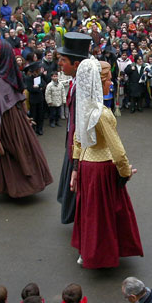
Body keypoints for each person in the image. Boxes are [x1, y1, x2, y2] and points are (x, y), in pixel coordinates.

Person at [70, 51, 143, 269]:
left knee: (89, 211)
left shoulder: (83, 108)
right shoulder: (101, 113)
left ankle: (86, 251)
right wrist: (124, 172)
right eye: (109, 79)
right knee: (105, 214)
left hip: (85, 165)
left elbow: (77, 140)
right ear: (99, 82)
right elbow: (118, 151)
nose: (111, 82)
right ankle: (101, 254)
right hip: (102, 168)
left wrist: (75, 168)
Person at [0, 39, 53, 198]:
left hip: (4, 122)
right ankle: (19, 186)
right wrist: (24, 116)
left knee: (9, 155)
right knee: (20, 152)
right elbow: (20, 96)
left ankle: (16, 188)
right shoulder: (9, 72)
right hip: (16, 118)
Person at [56, 32, 93, 224]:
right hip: (71, 143)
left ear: (77, 65)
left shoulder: (83, 90)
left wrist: (77, 163)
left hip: (78, 148)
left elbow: (82, 127)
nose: (60, 64)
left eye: (63, 60)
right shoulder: (74, 82)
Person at [24, 62, 47, 136]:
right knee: (33, 114)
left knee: (40, 114)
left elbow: (43, 84)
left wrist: (38, 86)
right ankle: (33, 129)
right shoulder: (28, 78)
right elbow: (30, 88)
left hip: (40, 98)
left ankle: (39, 129)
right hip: (33, 99)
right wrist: (38, 88)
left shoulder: (40, 77)